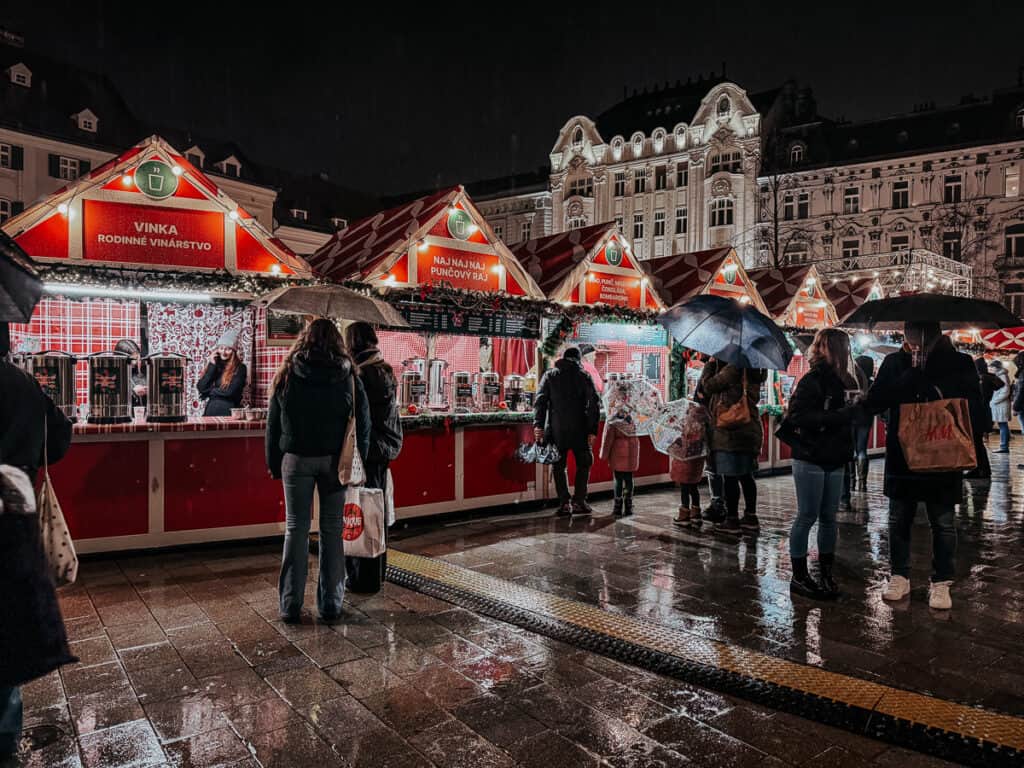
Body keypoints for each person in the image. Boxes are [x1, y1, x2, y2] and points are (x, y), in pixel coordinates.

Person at [865, 321, 980, 611]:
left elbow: (974, 405)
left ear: (935, 333)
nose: (912, 337)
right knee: (898, 518)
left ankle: (941, 581)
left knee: (942, 522)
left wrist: (934, 383)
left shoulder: (960, 362)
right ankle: (899, 575)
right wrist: (910, 376)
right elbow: (876, 401)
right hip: (902, 454)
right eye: (909, 331)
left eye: (918, 332)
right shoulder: (894, 362)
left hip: (943, 452)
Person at [266, 319, 370, 623]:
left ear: (304, 340)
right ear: (338, 342)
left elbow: (273, 424)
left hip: (296, 459)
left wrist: (274, 463)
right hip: (335, 461)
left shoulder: (288, 373)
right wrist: (355, 459)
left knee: (295, 530)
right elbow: (363, 423)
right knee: (332, 532)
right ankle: (330, 604)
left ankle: (290, 605)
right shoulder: (349, 376)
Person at [0, 348, 75, 760]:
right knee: (6, 625)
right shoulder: (20, 382)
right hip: (12, 515)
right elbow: (59, 439)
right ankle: (4, 740)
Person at [783, 329, 862, 599]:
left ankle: (825, 572)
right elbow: (796, 415)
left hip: (835, 455)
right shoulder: (812, 380)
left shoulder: (848, 379)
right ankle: (799, 576)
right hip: (811, 455)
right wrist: (836, 416)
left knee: (829, 517)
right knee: (807, 515)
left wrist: (856, 410)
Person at [344, 321, 403, 593]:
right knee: (374, 511)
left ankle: (363, 578)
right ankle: (378, 572)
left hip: (367, 452)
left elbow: (357, 417)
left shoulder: (364, 375)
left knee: (361, 513)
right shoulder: (383, 369)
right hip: (383, 450)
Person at [700, 358, 767, 534]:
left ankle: (732, 520)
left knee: (730, 477)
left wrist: (710, 364)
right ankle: (751, 517)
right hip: (750, 429)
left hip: (730, 431)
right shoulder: (754, 368)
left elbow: (708, 386)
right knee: (746, 476)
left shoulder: (734, 367)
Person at [534, 346, 601, 516]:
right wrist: (592, 430)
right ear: (579, 359)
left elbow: (540, 402)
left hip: (556, 430)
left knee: (559, 466)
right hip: (580, 429)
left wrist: (538, 426)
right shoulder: (584, 376)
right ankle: (579, 501)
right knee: (584, 463)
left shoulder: (550, 375)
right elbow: (594, 404)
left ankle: (564, 503)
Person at [670, 402, 709, 529]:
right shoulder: (702, 429)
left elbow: (681, 449)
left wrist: (674, 444)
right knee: (694, 488)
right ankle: (696, 513)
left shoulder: (686, 431)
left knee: (685, 490)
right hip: (696, 465)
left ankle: (684, 515)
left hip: (685, 465)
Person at [965, 357, 1001, 479]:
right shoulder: (989, 378)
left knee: (976, 443)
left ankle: (981, 469)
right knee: (978, 442)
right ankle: (983, 468)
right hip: (984, 412)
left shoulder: (981, 379)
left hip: (977, 413)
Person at [198, 329, 247, 416]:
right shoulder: (215, 365)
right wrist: (212, 365)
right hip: (211, 408)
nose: (223, 352)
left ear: (234, 351)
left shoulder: (240, 368)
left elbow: (230, 392)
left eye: (228, 349)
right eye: (221, 348)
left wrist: (209, 392)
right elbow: (201, 387)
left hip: (228, 409)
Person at [599, 416, 639, 517]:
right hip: (632, 449)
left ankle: (618, 506)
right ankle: (628, 505)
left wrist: (603, 454)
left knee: (618, 479)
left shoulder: (614, 418)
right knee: (629, 479)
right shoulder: (635, 417)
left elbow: (608, 438)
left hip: (618, 451)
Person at [852, 355, 876, 491]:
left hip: (852, 417)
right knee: (862, 450)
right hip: (866, 418)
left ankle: (851, 481)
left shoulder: (853, 381)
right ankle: (862, 482)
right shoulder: (871, 383)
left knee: (851, 450)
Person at [115, 339, 147, 408]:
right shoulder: (114, 375)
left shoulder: (142, 371)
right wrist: (132, 392)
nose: (135, 363)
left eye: (137, 358)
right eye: (132, 359)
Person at [989, 359, 1011, 454]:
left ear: (996, 367)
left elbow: (1005, 391)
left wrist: (994, 401)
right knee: (1003, 425)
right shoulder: (1001, 375)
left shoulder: (1002, 376)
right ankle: (1004, 445)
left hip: (1001, 404)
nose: (990, 369)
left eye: (992, 367)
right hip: (1000, 404)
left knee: (1003, 425)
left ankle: (1004, 446)